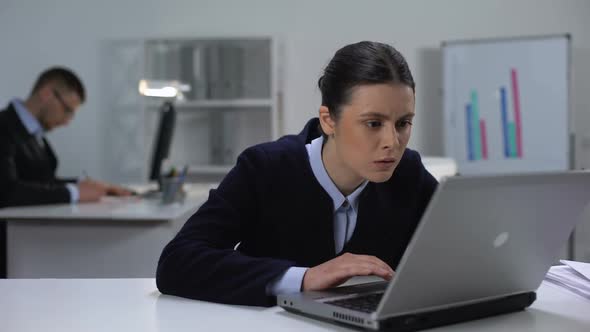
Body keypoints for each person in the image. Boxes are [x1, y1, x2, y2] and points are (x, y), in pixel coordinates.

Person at [156, 41, 438, 306]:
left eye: (403, 123)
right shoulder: (265, 167)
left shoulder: (409, 173)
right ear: (328, 120)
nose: (392, 141)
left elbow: (462, 259)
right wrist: (303, 278)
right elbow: (177, 262)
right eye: (374, 123)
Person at [0, 66, 133, 207]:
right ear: (47, 94)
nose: (67, 121)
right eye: (67, 110)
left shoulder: (33, 134)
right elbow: (6, 192)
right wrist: (74, 192)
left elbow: (41, 183)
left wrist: (90, 187)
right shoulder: (4, 127)